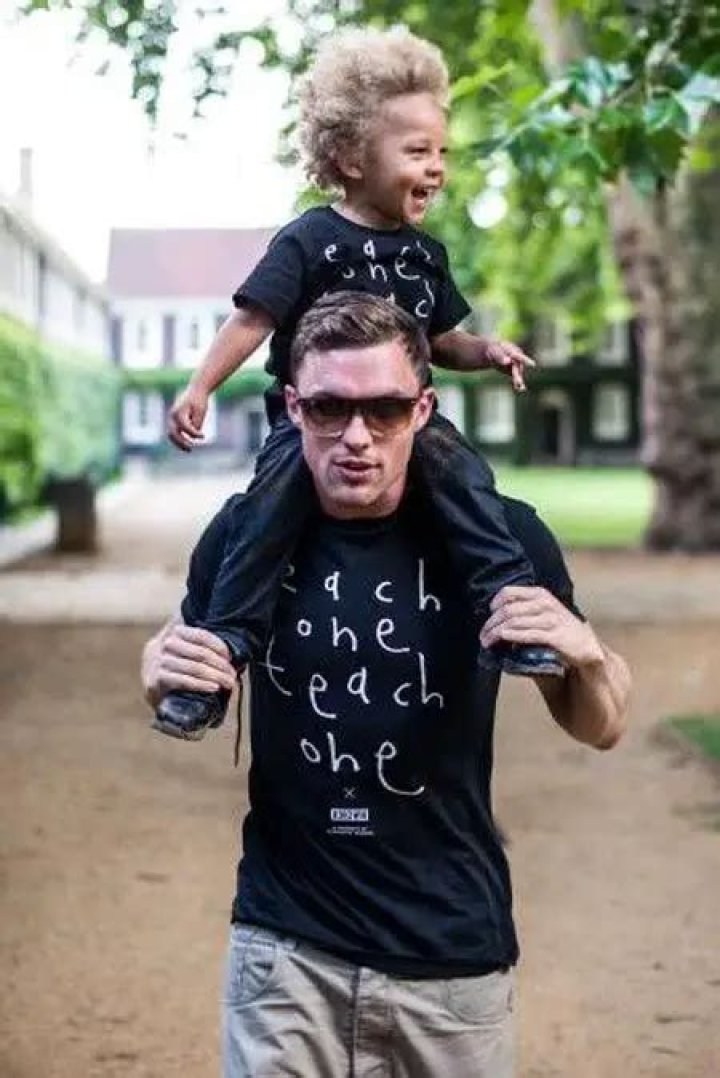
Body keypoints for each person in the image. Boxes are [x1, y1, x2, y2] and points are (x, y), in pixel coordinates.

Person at [142, 293, 631, 1078]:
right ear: (293, 407)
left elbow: (601, 725)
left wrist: (588, 655)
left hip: (450, 960)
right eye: (329, 408)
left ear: (424, 410)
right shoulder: (244, 535)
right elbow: (177, 654)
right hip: (285, 952)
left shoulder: (504, 538)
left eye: (387, 409)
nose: (357, 437)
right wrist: (156, 668)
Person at [153, 26, 564, 742]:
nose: (436, 168)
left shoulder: (426, 256)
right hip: (310, 423)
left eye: (442, 153)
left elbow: (440, 340)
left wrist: (487, 351)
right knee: (264, 514)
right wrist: (200, 387)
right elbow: (253, 320)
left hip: (406, 419)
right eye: (417, 152)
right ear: (349, 157)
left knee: (468, 481)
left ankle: (508, 607)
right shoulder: (308, 240)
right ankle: (221, 653)